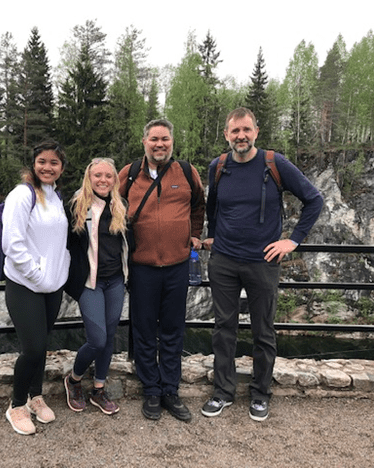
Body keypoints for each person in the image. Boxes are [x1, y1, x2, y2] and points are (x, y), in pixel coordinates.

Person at [201, 107, 323, 422]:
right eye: (234, 131)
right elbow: (212, 208)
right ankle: (223, 392)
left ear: (256, 131)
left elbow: (314, 199)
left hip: (263, 261)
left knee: (263, 330)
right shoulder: (219, 166)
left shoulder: (274, 163)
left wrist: (292, 240)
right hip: (224, 261)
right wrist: (213, 235)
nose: (240, 136)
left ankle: (260, 394)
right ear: (227, 135)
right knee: (223, 329)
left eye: (246, 130)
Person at [119, 119, 206, 422]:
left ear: (172, 142)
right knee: (143, 330)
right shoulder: (128, 175)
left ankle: (170, 389)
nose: (160, 144)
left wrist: (195, 233)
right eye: (154, 139)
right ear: (144, 142)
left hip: (177, 265)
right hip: (141, 267)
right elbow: (110, 207)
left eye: (165, 139)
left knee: (172, 330)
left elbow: (198, 206)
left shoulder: (185, 172)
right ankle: (151, 390)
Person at [2, 140, 71, 435]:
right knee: (32, 348)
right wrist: (36, 274)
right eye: (42, 161)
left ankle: (35, 396)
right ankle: (17, 404)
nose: (47, 167)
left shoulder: (55, 198)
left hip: (52, 285)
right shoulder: (22, 195)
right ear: (34, 164)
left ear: (61, 169)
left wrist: (59, 271)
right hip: (24, 285)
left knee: (42, 345)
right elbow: (12, 243)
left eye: (54, 163)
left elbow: (59, 243)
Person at [63, 158, 129, 415]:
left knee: (109, 336)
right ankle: (74, 379)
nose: (102, 180)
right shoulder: (77, 205)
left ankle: (98, 390)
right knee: (97, 339)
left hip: (115, 280)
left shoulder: (120, 205)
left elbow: (127, 243)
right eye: (97, 175)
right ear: (88, 178)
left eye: (108, 176)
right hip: (90, 283)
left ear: (115, 179)